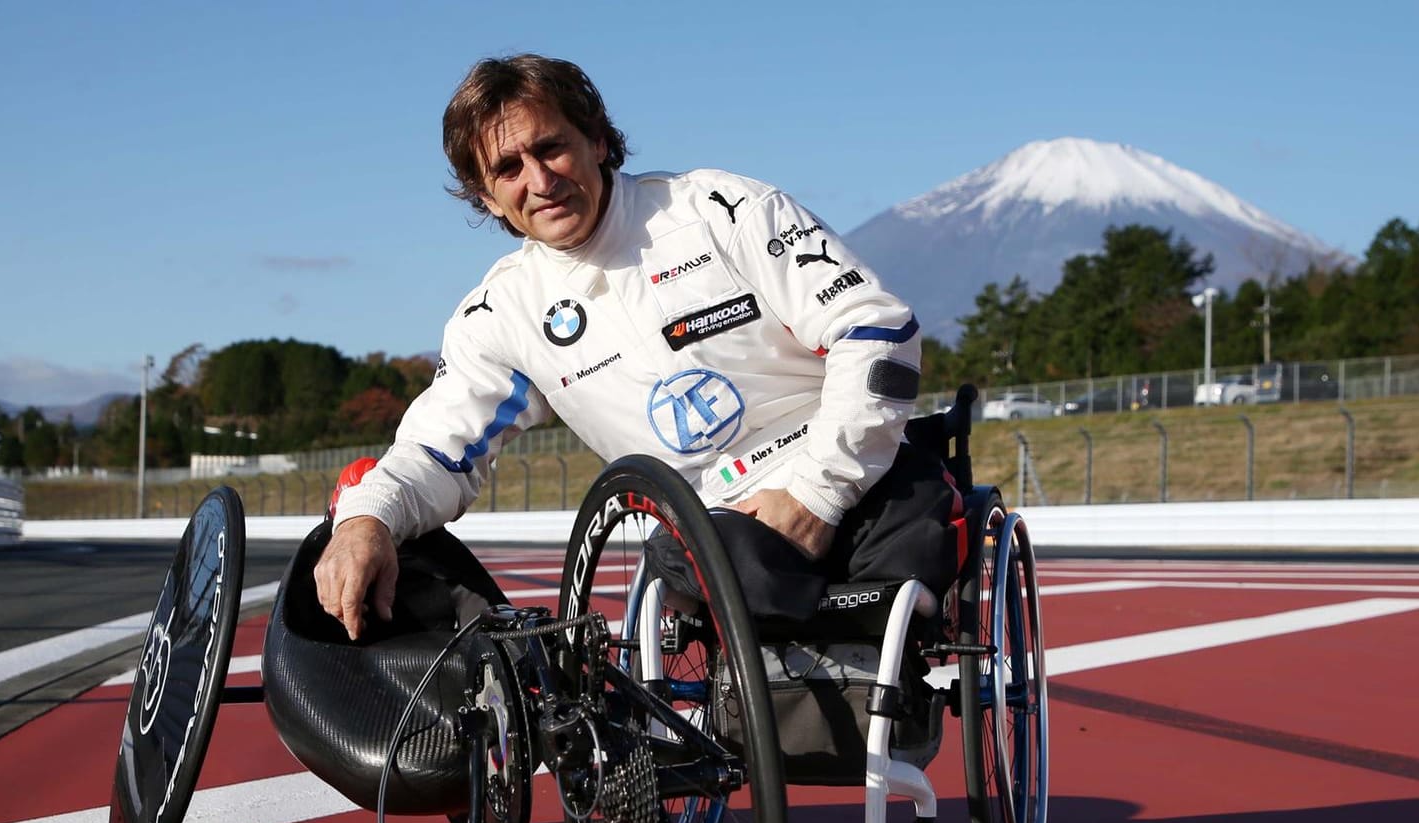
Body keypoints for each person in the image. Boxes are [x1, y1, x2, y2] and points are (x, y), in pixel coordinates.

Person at [317, 54, 955, 638]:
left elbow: (876, 330)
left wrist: (817, 496)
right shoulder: (499, 313)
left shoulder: (716, 209)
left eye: (552, 148)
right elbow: (434, 452)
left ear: (597, 140)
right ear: (487, 197)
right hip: (716, 536)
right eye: (508, 169)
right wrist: (364, 519)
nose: (539, 181)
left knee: (919, 499)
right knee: (697, 558)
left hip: (854, 480)